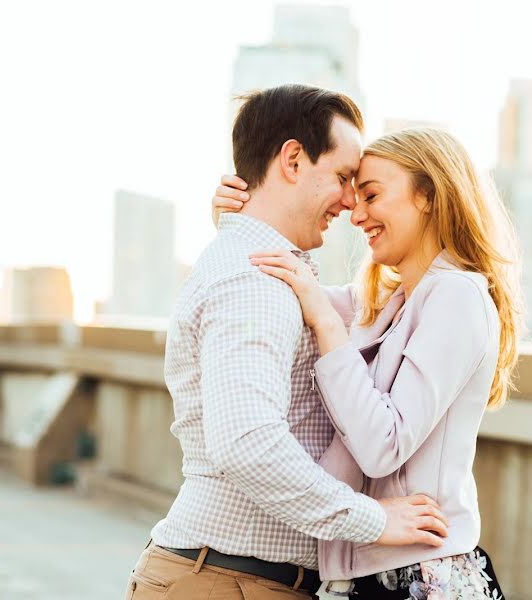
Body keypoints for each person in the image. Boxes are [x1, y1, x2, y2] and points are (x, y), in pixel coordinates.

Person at [124, 84, 448, 600]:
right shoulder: (254, 281)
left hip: (233, 578)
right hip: (228, 582)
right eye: (343, 178)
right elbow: (248, 442)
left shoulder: (265, 268)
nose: (349, 201)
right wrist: (371, 520)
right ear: (293, 159)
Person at [213, 126, 521, 599]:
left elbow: (383, 444)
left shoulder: (456, 296)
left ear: (428, 196)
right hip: (366, 578)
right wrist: (240, 218)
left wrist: (327, 325)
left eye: (371, 195)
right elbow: (282, 282)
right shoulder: (391, 304)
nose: (356, 215)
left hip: (420, 575)